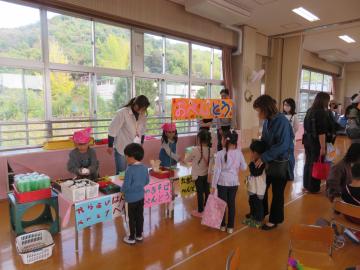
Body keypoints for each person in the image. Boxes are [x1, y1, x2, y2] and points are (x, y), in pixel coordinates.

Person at [253, 95, 294, 230]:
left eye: (259, 110)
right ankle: (262, 211)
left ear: (266, 109)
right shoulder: (267, 121)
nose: (258, 114)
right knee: (262, 188)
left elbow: (283, 145)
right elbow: (265, 140)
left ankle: (274, 219)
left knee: (277, 192)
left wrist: (264, 157)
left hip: (281, 162)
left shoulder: (282, 121)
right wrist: (257, 151)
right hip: (269, 160)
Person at [211, 130, 247, 234]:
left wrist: (213, 186)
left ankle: (222, 225)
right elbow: (244, 167)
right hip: (234, 183)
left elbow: (217, 171)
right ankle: (230, 227)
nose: (221, 140)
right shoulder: (239, 153)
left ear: (225, 141)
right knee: (231, 204)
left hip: (222, 183)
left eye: (222, 139)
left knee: (221, 204)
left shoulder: (220, 154)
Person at [107, 95, 150, 174]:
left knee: (133, 172)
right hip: (122, 147)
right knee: (121, 173)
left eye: (145, 109)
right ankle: (121, 187)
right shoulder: (122, 113)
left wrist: (142, 143)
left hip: (135, 149)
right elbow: (112, 130)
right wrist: (110, 146)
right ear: (136, 106)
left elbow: (143, 131)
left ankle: (131, 186)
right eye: (143, 109)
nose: (144, 111)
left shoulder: (142, 115)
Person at [302, 92, 332, 193]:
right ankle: (313, 187)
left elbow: (305, 126)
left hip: (307, 140)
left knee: (308, 163)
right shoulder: (321, 112)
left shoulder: (310, 110)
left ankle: (306, 185)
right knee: (315, 164)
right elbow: (322, 132)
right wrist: (323, 147)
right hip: (316, 142)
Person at [122, 143, 150, 245]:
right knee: (139, 216)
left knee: (130, 218)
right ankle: (139, 235)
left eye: (126, 156)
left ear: (132, 157)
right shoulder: (144, 167)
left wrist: (122, 190)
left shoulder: (129, 169)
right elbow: (147, 181)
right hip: (141, 197)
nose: (125, 158)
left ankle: (131, 237)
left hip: (130, 199)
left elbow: (126, 185)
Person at [185, 129, 213, 218]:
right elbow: (211, 164)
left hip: (197, 176)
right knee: (207, 191)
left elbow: (186, 160)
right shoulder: (211, 150)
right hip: (206, 175)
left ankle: (200, 210)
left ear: (199, 139)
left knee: (200, 193)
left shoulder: (194, 149)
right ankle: (208, 207)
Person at [243, 139, 267, 228]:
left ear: (256, 153)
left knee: (258, 204)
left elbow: (255, 172)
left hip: (259, 189)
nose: (251, 154)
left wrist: (251, 163)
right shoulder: (255, 161)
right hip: (253, 187)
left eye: (252, 152)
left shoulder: (262, 163)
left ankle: (258, 219)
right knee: (251, 201)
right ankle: (252, 214)